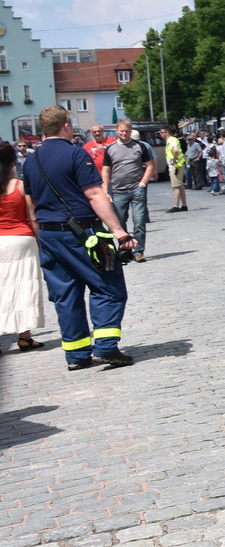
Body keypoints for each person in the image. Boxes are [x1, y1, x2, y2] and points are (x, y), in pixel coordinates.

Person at [20, 105, 136, 370]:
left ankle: (77, 355)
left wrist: (41, 237)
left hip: (49, 235)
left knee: (66, 295)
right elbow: (95, 195)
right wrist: (119, 231)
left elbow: (31, 203)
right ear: (67, 125)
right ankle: (106, 347)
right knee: (108, 286)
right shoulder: (76, 155)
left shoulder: (30, 161)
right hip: (81, 233)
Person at [0, 142, 49, 354]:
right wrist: (41, 242)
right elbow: (33, 217)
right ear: (13, 162)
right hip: (22, 240)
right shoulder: (20, 185)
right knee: (24, 287)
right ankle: (24, 337)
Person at [102, 121, 156, 264]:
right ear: (117, 131)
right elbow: (106, 170)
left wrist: (143, 183)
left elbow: (150, 165)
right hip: (118, 191)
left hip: (136, 189)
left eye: (126, 131)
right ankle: (126, 249)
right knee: (120, 222)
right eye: (121, 131)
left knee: (139, 221)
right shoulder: (110, 149)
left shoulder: (140, 146)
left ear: (130, 131)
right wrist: (105, 190)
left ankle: (139, 251)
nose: (124, 133)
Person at [164, 128, 188, 213]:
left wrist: (174, 160)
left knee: (176, 187)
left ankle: (176, 206)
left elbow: (176, 150)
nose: (161, 133)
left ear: (167, 132)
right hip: (178, 164)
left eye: (162, 132)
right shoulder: (171, 140)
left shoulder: (172, 140)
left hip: (176, 165)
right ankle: (184, 205)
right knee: (180, 186)